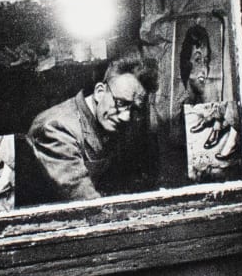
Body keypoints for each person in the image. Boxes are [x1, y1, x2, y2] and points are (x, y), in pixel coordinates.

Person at [24, 55, 158, 202]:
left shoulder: (110, 121)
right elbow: (83, 200)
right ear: (100, 92)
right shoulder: (56, 127)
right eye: (120, 103)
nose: (125, 117)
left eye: (134, 109)